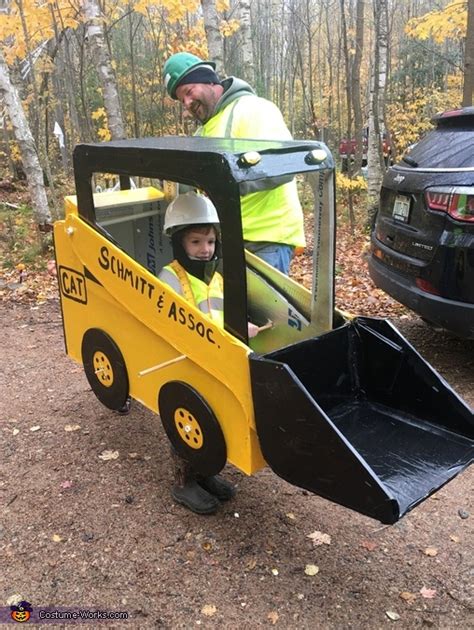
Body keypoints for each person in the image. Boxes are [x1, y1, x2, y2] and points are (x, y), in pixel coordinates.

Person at [158, 191, 261, 514]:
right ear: (178, 243)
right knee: (187, 422)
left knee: (211, 423)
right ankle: (184, 483)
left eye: (210, 242)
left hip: (213, 359)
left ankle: (205, 473)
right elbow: (178, 324)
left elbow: (216, 314)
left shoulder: (214, 276)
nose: (205, 250)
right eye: (195, 242)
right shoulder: (170, 278)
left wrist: (242, 326)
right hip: (184, 362)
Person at [163, 52, 305, 275]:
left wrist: (224, 184)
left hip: (264, 239)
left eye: (188, 92)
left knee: (258, 311)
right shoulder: (204, 131)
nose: (187, 103)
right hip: (226, 240)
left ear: (209, 80)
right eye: (182, 100)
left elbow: (285, 164)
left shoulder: (252, 109)